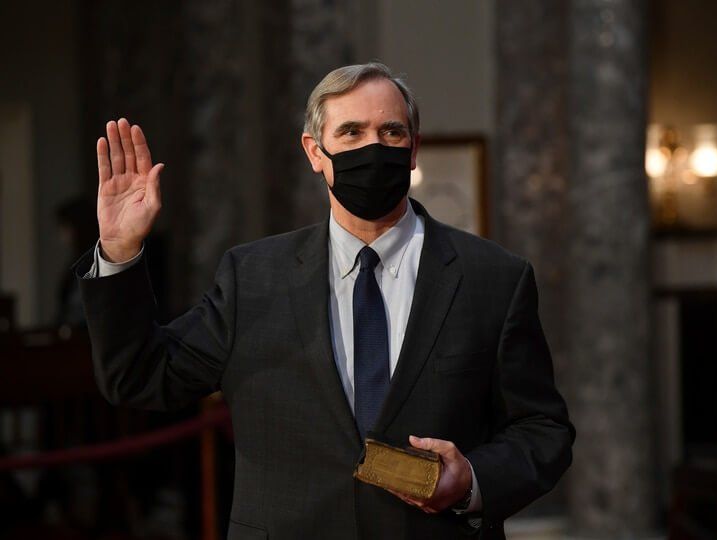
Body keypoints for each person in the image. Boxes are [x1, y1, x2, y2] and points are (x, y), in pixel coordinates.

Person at [76, 63, 575, 540]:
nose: (373, 148)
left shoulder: (493, 277)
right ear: (315, 152)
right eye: (352, 133)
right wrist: (120, 251)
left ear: (414, 148)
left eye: (391, 133)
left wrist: (470, 480)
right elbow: (139, 377)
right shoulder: (254, 278)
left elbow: (542, 429)